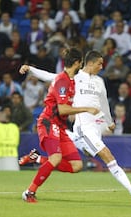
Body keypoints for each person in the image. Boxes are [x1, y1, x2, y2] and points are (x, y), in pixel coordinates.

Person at [19, 50, 131, 202]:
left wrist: (110, 121)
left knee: (77, 166)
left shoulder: (100, 81)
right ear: (90, 63)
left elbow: (104, 103)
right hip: (84, 127)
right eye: (99, 63)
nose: (102, 66)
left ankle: (38, 158)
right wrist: (30, 69)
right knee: (107, 155)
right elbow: (49, 76)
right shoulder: (73, 77)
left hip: (96, 126)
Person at [18, 48, 99, 203]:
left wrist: (30, 69)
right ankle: (29, 192)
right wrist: (86, 109)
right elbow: (62, 109)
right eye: (81, 63)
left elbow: (48, 76)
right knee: (55, 158)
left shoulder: (70, 80)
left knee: (76, 165)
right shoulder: (62, 81)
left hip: (60, 126)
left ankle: (37, 159)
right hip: (49, 122)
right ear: (76, 63)